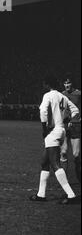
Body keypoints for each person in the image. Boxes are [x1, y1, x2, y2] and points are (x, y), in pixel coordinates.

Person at [30, 76, 80, 205]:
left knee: (55, 163)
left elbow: (43, 112)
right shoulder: (62, 96)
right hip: (61, 130)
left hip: (52, 132)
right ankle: (41, 194)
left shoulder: (48, 95)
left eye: (44, 84)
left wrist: (44, 128)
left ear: (47, 85)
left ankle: (71, 195)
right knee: (44, 162)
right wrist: (67, 120)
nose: (43, 87)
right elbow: (75, 110)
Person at [60, 75, 81, 184]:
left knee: (76, 154)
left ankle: (79, 176)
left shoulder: (78, 93)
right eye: (65, 83)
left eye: (69, 83)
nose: (67, 85)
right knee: (63, 152)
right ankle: (64, 181)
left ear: (72, 83)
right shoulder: (62, 95)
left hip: (76, 126)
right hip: (64, 126)